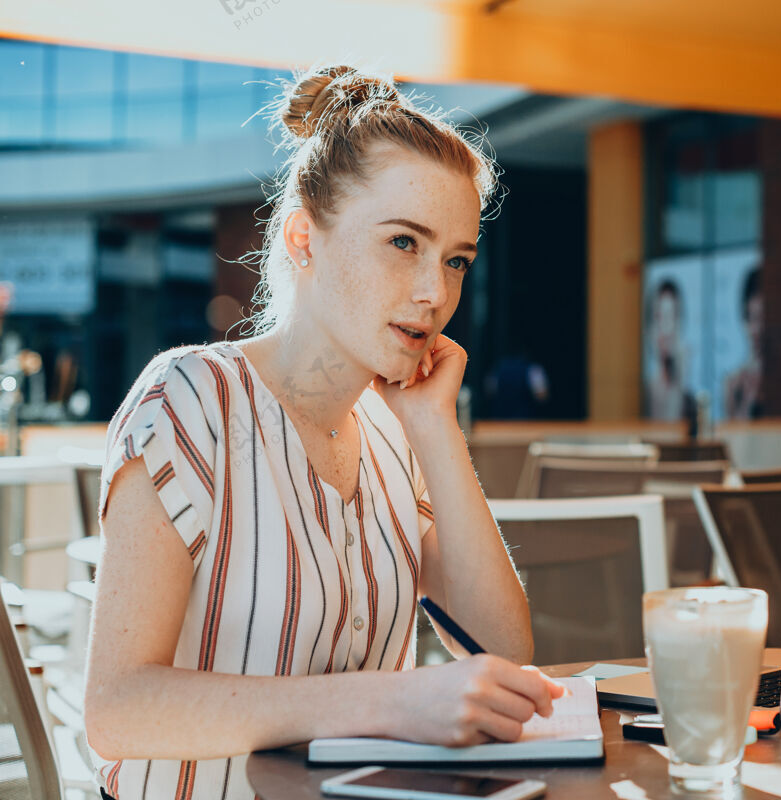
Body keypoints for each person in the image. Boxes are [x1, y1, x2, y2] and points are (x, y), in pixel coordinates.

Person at [84, 65, 562, 800]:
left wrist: (436, 429)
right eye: (404, 243)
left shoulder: (393, 425)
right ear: (304, 235)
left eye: (456, 260)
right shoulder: (190, 400)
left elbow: (503, 649)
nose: (435, 294)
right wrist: (390, 703)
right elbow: (116, 712)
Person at [644, 278, 693, 420]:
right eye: (659, 317)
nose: (667, 329)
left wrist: (678, 382)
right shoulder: (645, 388)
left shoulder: (689, 394)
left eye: (673, 317)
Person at [722, 267, 763, 420]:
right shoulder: (734, 383)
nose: (757, 329)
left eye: (762, 319)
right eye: (752, 318)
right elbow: (734, 434)